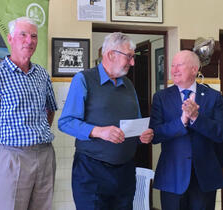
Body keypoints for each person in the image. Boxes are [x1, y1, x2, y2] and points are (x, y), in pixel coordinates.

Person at [58, 32, 153, 210]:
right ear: (111, 54)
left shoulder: (129, 85)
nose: (132, 63)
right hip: (91, 172)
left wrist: (144, 134)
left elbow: (137, 121)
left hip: (125, 172)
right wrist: (99, 131)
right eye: (129, 57)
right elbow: (66, 122)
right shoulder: (83, 79)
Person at [0, 17, 58, 210]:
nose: (29, 40)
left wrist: (36, 133)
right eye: (23, 35)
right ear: (10, 38)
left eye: (34, 36)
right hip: (12, 157)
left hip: (45, 154)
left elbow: (50, 109)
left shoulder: (42, 75)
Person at [149, 50, 223, 210]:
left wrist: (196, 118)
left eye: (179, 65)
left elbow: (220, 133)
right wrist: (182, 121)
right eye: (172, 65)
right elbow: (155, 134)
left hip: (204, 177)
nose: (174, 70)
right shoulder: (161, 97)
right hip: (172, 176)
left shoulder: (214, 97)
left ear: (194, 69)